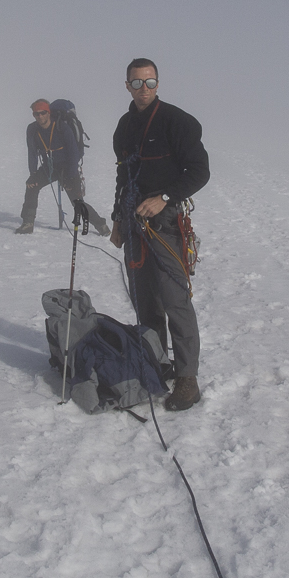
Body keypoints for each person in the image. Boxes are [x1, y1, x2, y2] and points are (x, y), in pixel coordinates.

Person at [109, 59, 210, 411]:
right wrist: (117, 219)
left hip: (164, 222)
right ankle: (157, 362)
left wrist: (165, 197)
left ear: (157, 83)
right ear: (127, 85)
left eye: (150, 82)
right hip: (133, 221)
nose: (144, 89)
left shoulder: (177, 122)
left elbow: (199, 171)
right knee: (145, 299)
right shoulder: (124, 126)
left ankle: (187, 379)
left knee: (174, 299)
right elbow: (123, 176)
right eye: (137, 83)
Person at [17, 99, 109, 236]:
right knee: (32, 186)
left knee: (77, 202)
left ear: (49, 112)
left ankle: (101, 224)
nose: (40, 116)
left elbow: (73, 153)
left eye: (43, 112)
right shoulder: (32, 129)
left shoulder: (62, 127)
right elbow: (32, 154)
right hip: (49, 167)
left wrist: (71, 176)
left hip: (68, 167)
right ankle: (28, 223)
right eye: (36, 114)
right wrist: (33, 175)